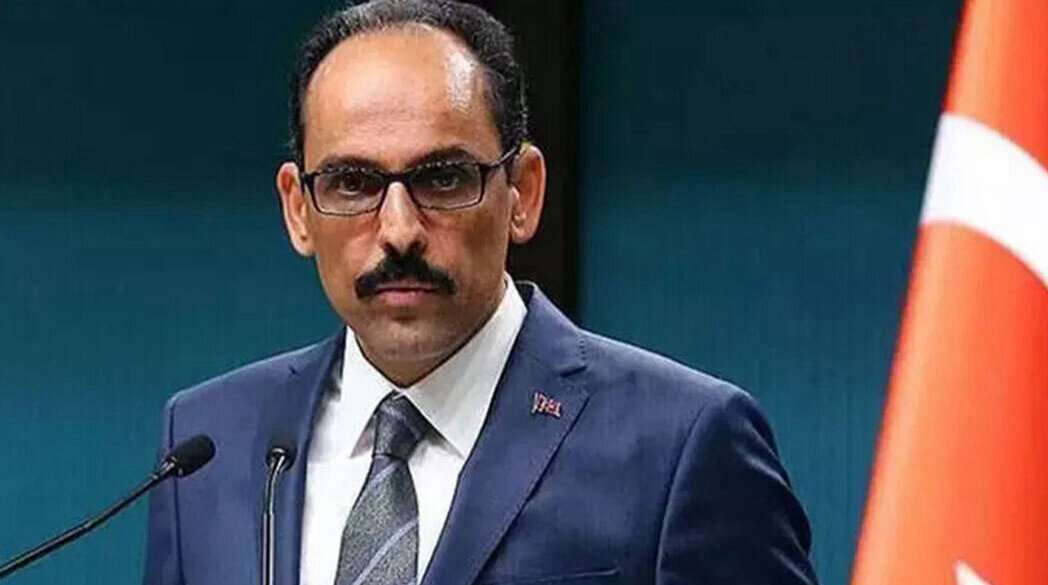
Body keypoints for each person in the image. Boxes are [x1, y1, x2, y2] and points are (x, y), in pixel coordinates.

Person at [142, 1, 819, 584]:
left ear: (522, 192)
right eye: (353, 183)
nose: (399, 230)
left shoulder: (682, 444)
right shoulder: (208, 441)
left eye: (443, 178)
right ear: (298, 208)